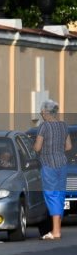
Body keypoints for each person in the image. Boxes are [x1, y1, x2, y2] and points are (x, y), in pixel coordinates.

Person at [33, 99, 71, 240]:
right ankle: (57, 228)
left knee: (51, 195)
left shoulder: (44, 127)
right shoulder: (63, 126)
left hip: (49, 164)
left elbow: (37, 147)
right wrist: (57, 150)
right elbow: (68, 147)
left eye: (41, 112)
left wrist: (36, 149)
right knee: (60, 195)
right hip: (62, 164)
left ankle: (55, 232)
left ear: (45, 112)